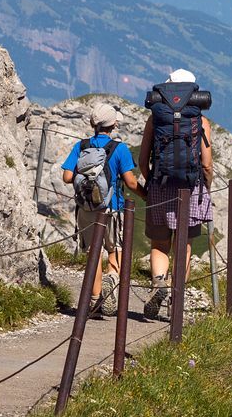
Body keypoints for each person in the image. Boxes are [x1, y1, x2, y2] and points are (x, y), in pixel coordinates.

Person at [138, 69, 214, 320]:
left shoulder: (156, 118)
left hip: (160, 186)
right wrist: (206, 187)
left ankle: (159, 283)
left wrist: (152, 183)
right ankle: (176, 300)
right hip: (190, 190)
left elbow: (142, 159)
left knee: (159, 244)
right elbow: (206, 164)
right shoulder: (201, 122)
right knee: (185, 247)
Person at [61, 103, 146, 316]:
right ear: (114, 124)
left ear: (93, 123)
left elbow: (67, 177)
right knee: (114, 248)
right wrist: (147, 195)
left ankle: (94, 300)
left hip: (86, 208)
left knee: (93, 253)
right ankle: (112, 282)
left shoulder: (81, 146)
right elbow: (130, 182)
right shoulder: (120, 149)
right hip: (112, 208)